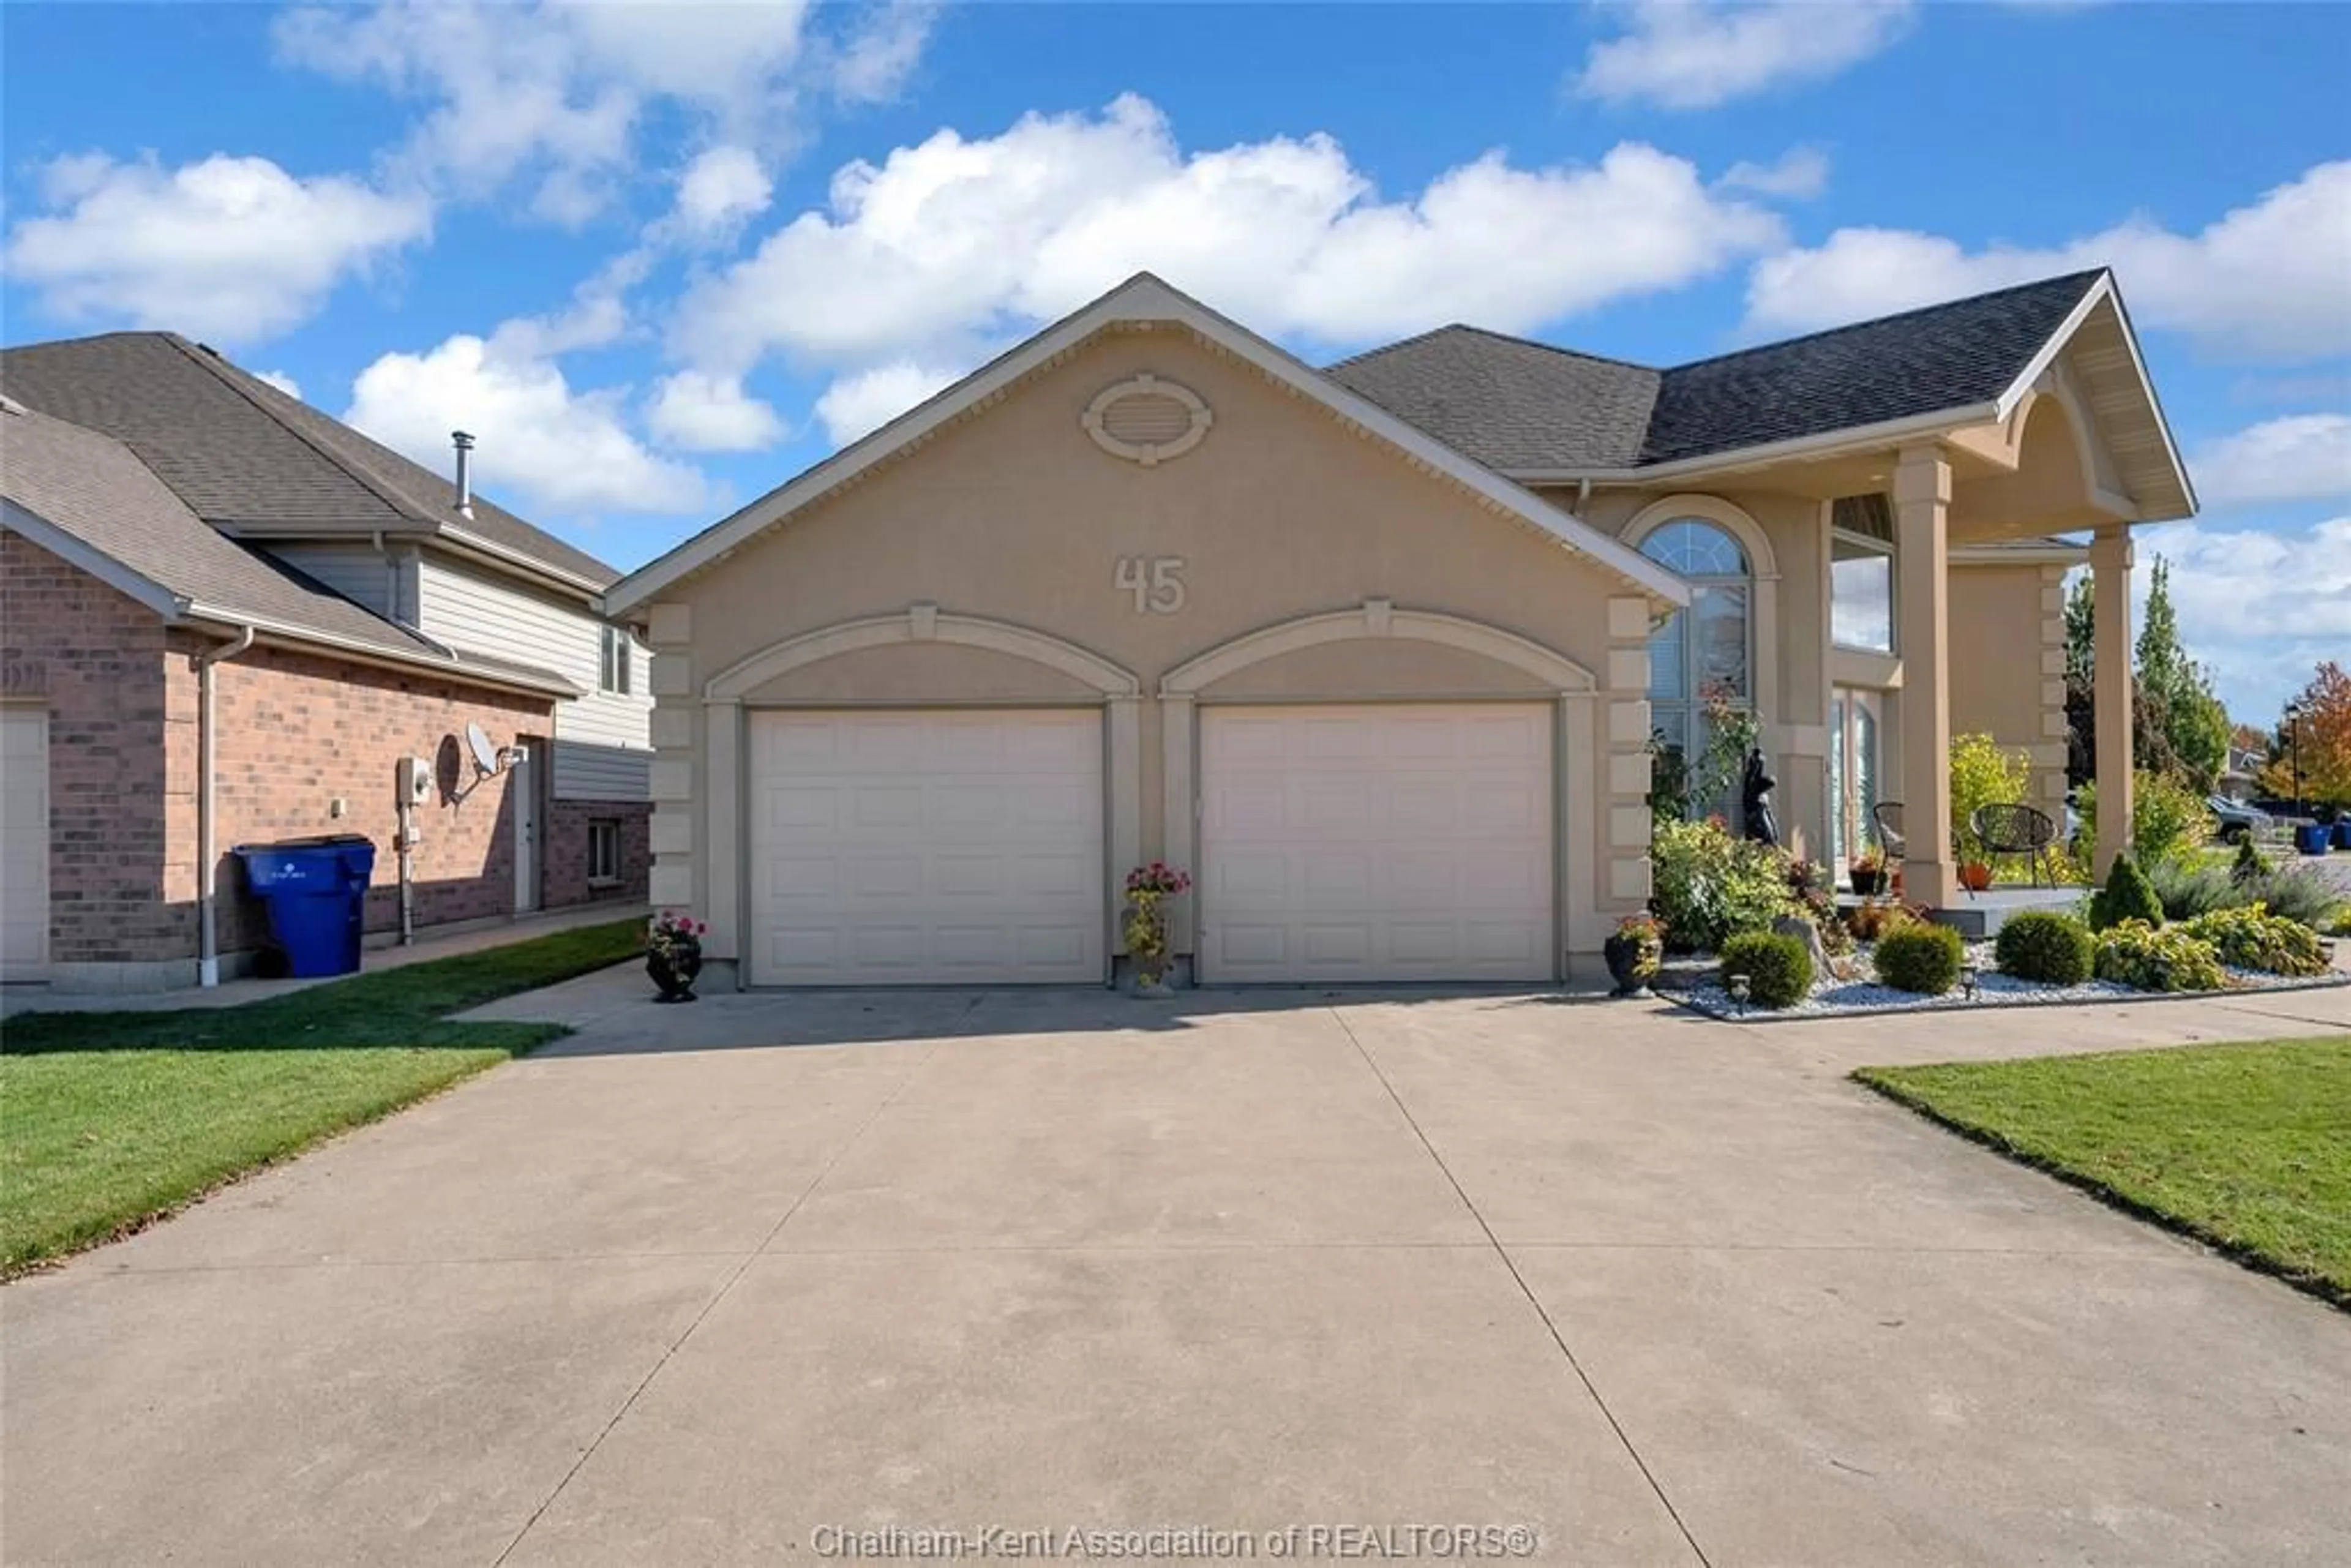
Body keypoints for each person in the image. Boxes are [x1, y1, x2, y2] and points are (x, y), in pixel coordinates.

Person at [1741, 746, 1780, 847]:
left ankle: (1770, 841)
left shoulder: (1761, 797)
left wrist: (1760, 762)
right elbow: (1752, 777)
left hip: (1760, 826)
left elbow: (1770, 818)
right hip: (1756, 826)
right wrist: (1758, 763)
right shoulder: (1752, 792)